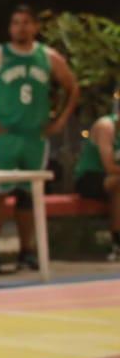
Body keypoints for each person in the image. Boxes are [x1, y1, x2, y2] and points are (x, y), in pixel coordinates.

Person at [0, 5, 79, 275]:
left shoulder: (47, 57)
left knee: (28, 195)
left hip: (34, 136)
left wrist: (60, 120)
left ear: (35, 27)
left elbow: (72, 87)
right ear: (10, 28)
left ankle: (27, 251)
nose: (20, 28)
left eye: (26, 23)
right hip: (4, 136)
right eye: (15, 23)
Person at [73, 97, 120, 262]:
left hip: (112, 179)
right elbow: (109, 166)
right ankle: (116, 242)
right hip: (89, 178)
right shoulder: (106, 126)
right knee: (117, 183)